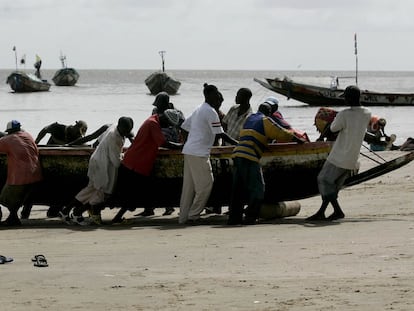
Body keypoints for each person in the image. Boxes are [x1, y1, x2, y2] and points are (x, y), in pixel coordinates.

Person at [227, 103, 306, 225]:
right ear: (269, 113)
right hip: (250, 156)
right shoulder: (265, 120)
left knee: (238, 189)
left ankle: (234, 218)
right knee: (258, 189)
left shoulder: (249, 119)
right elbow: (280, 133)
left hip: (237, 154)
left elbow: (255, 134)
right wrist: (297, 139)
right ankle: (250, 217)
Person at [306, 85, 371, 221]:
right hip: (352, 158)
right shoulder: (367, 113)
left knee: (323, 179)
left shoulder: (344, 114)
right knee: (332, 185)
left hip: (339, 156)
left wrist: (326, 128)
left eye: (346, 98)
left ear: (349, 98)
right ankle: (323, 212)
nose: (345, 101)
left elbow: (333, 129)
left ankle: (337, 211)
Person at [178, 83, 238, 225]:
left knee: (189, 187)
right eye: (217, 94)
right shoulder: (211, 111)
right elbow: (221, 134)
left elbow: (184, 127)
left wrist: (188, 142)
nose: (218, 97)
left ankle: (183, 217)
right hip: (198, 153)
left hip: (189, 151)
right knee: (206, 185)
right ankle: (193, 215)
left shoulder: (199, 108)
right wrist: (238, 143)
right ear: (209, 95)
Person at [111, 109, 183, 223]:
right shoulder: (153, 124)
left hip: (134, 161)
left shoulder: (152, 120)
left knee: (132, 192)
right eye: (169, 124)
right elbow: (163, 143)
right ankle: (117, 217)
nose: (168, 127)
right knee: (132, 193)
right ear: (165, 119)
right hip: (136, 163)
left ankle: (120, 216)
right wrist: (181, 146)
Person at [59, 117, 134, 225]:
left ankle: (65, 211)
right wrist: (125, 155)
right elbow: (116, 162)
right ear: (120, 127)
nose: (127, 133)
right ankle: (77, 213)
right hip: (103, 166)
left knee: (90, 189)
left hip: (97, 161)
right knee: (102, 194)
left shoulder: (111, 127)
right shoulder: (115, 138)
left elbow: (96, 142)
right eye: (126, 131)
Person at [0, 120, 43, 226]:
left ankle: (12, 218)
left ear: (9, 131)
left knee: (4, 198)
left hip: (20, 176)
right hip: (36, 174)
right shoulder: (28, 135)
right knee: (18, 195)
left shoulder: (7, 140)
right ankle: (13, 218)